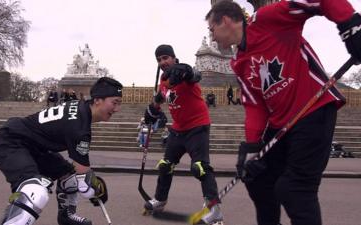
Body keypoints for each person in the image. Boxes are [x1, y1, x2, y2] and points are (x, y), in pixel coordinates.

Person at [206, 1, 360, 225]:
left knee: (294, 190)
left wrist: (351, 24)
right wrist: (251, 149)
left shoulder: (268, 18)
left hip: (313, 111)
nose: (211, 37)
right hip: (281, 124)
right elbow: (255, 107)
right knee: (257, 179)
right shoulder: (239, 61)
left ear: (226, 20)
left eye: (211, 29)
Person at [0, 77, 123, 225]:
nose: (117, 109)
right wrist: (96, 188)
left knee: (69, 177)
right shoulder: (80, 127)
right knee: (36, 192)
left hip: (34, 146)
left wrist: (92, 183)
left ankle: (66, 217)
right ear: (98, 100)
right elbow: (86, 187)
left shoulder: (80, 109)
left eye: (119, 104)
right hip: (10, 142)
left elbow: (81, 176)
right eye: (114, 103)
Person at [143, 44, 223, 225]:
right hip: (178, 130)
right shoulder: (163, 83)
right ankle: (160, 200)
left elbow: (195, 75)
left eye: (165, 57)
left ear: (173, 57)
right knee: (165, 165)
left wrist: (185, 70)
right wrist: (151, 112)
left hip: (197, 127)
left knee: (200, 168)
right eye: (159, 59)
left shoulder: (184, 75)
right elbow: (157, 101)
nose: (162, 62)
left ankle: (214, 211)